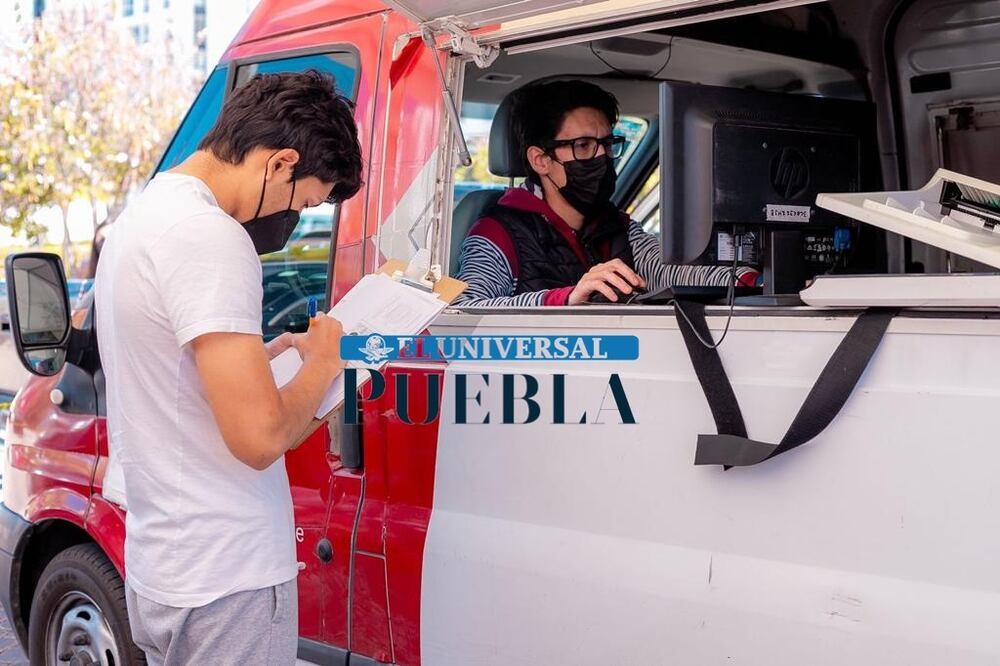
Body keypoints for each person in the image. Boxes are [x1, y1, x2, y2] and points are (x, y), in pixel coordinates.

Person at [94, 70, 363, 665]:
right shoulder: (209, 237)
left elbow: (166, 375)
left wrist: (260, 363)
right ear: (279, 163)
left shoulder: (145, 216)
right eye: (305, 201)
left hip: (167, 563)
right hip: (226, 574)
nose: (296, 221)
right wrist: (327, 363)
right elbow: (260, 438)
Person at [455, 80, 758, 307]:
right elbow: (466, 309)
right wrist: (567, 298)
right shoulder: (497, 233)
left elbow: (672, 272)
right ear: (541, 160)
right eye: (584, 146)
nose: (602, 157)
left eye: (608, 144)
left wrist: (755, 281)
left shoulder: (618, 226)